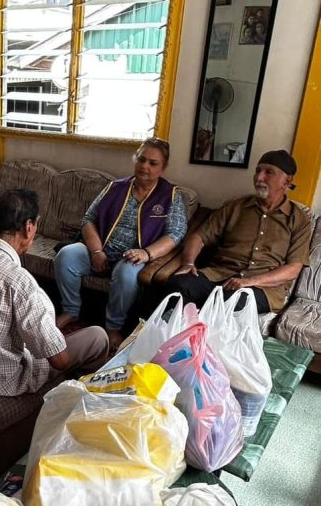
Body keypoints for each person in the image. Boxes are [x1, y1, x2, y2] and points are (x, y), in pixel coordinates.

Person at [0, 189, 109, 396]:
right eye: (36, 223)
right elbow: (59, 360)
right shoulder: (19, 281)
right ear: (28, 227)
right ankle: (72, 399)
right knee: (98, 336)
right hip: (2, 381)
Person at [53, 138, 188, 352]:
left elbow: (176, 234)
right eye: (141, 159)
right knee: (66, 256)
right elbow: (88, 219)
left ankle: (113, 327)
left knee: (127, 274)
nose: (145, 166)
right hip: (101, 248)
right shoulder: (115, 187)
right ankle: (71, 310)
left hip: (134, 256)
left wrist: (147, 253)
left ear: (163, 167)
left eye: (153, 163)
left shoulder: (171, 196)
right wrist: (96, 251)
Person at [161, 150, 311, 314]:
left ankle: (196, 336)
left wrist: (249, 281)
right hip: (218, 275)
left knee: (226, 304)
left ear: (286, 181)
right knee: (178, 285)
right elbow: (199, 237)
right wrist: (188, 263)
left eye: (269, 172)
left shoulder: (299, 219)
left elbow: (294, 268)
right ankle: (170, 337)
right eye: (258, 171)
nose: (259, 178)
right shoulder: (236, 207)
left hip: (260, 288)